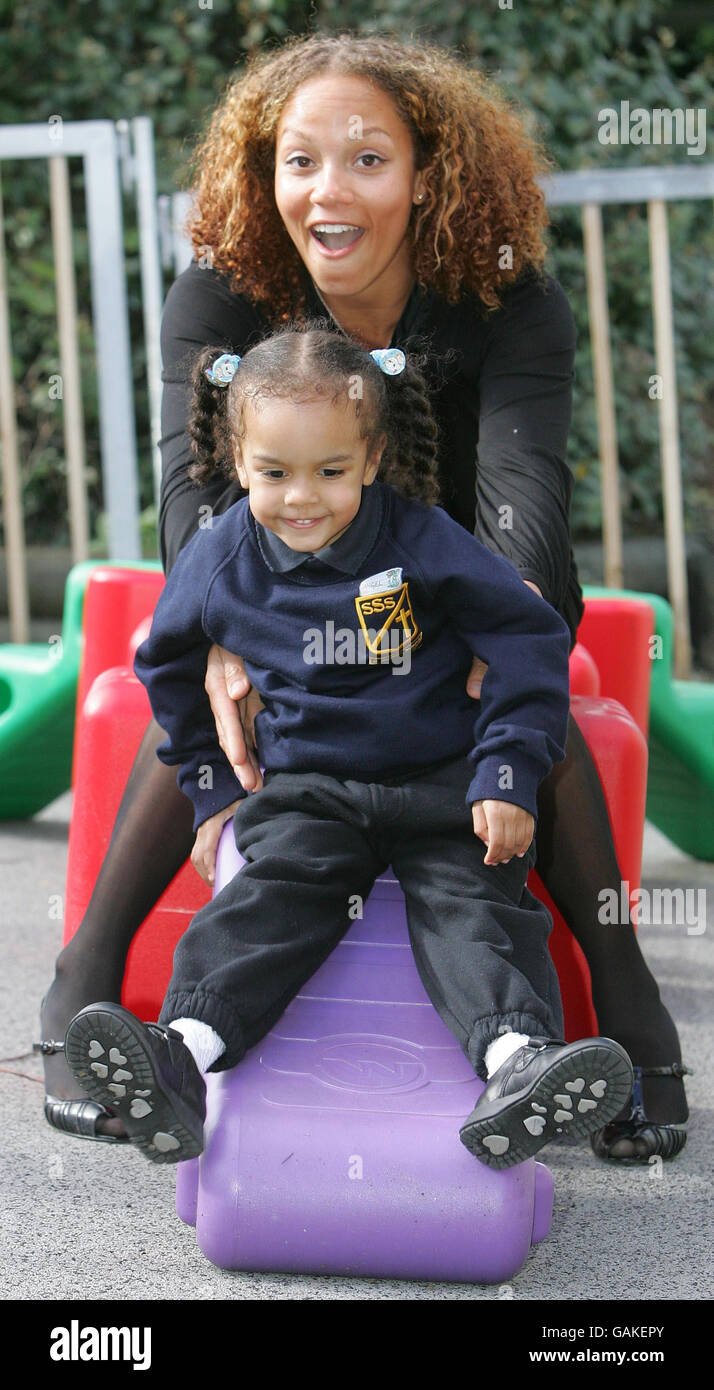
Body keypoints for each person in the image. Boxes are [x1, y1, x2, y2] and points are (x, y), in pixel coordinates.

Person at [37, 32, 689, 1163]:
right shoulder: (221, 293)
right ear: (266, 173)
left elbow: (524, 490)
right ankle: (89, 975)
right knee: (187, 674)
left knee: (536, 698)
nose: (327, 190)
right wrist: (226, 634)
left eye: (367, 160)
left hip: (457, 567)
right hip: (271, 573)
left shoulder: (505, 298)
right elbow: (189, 487)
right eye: (299, 160)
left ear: (426, 174)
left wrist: (505, 626)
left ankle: (629, 1008)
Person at [63, 326, 634, 1169]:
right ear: (238, 461)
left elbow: (529, 637)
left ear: (370, 459)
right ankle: (180, 1057)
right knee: (265, 904)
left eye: (331, 472)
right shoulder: (222, 558)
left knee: (477, 911)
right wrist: (215, 787)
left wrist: (506, 771)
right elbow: (166, 664)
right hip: (310, 790)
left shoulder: (423, 540)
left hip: (443, 788)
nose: (303, 498)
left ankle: (518, 1072)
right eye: (275, 473)